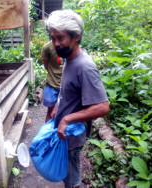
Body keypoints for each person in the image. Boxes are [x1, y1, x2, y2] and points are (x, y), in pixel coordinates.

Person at [46, 10, 110, 188]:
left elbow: (103, 107)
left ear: (76, 37)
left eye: (61, 38)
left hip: (72, 136)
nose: (56, 43)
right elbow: (71, 92)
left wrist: (67, 118)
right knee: (66, 176)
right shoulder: (69, 59)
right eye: (53, 38)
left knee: (72, 181)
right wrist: (58, 107)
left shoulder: (85, 66)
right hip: (64, 134)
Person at [39, 40, 63, 122]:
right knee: (51, 112)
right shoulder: (47, 47)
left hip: (66, 84)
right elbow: (46, 65)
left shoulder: (69, 45)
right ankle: (48, 133)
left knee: (65, 113)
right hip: (52, 83)